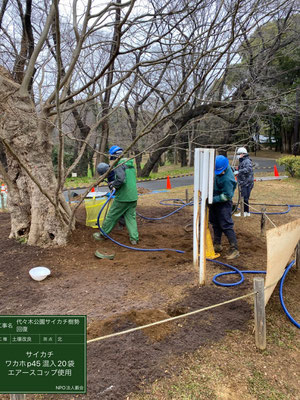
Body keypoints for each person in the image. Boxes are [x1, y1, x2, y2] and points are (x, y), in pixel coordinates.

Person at [95, 146, 139, 245]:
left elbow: (121, 179)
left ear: (113, 156)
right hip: (133, 197)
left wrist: (113, 185)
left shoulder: (120, 164)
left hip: (123, 197)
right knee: (131, 218)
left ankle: (103, 234)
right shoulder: (130, 164)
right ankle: (134, 239)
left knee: (112, 216)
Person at [209, 155, 239, 260]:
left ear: (225, 168)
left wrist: (212, 199)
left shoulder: (227, 179)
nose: (219, 173)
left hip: (223, 203)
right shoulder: (217, 169)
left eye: (221, 171)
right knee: (215, 223)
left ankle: (234, 249)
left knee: (226, 224)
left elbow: (227, 196)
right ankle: (217, 244)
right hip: (214, 200)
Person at [234, 147, 254, 217]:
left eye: (239, 154)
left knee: (244, 198)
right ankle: (246, 212)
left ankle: (244, 212)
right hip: (244, 182)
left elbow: (248, 169)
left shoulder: (247, 161)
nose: (238, 155)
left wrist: (239, 172)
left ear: (242, 154)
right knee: (245, 198)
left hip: (246, 183)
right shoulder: (243, 160)